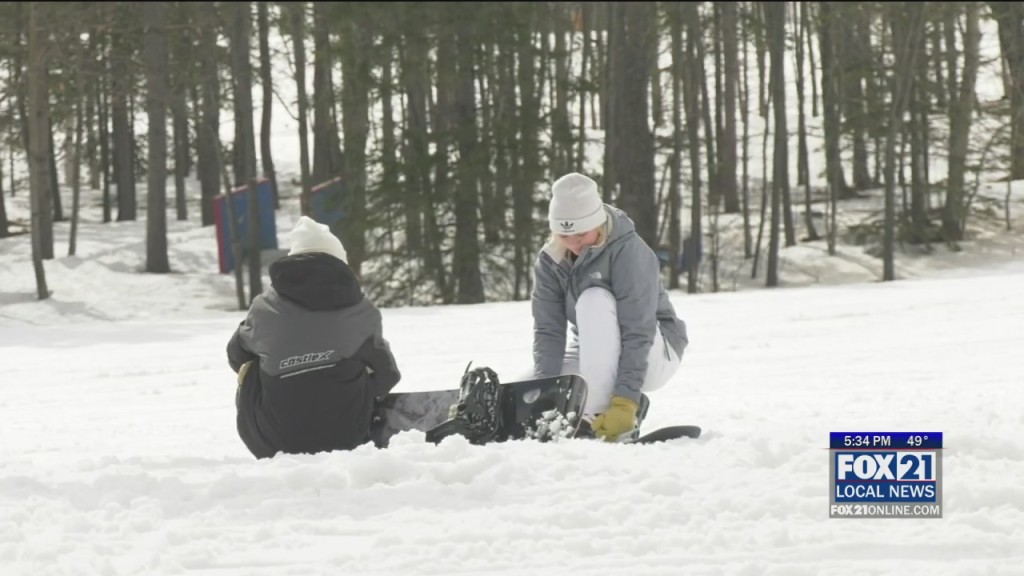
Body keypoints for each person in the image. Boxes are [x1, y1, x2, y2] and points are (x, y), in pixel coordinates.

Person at [226, 216, 402, 459]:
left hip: (272, 442)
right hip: (347, 437)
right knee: (363, 360)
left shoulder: (263, 309)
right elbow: (389, 375)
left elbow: (236, 357)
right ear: (341, 263)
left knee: (254, 363)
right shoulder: (361, 310)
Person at [531, 172, 688, 442]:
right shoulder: (551, 259)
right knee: (529, 390)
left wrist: (625, 402)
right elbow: (549, 332)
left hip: (654, 352)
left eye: (581, 234)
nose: (574, 243)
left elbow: (638, 331)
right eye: (565, 235)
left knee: (594, 298)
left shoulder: (629, 252)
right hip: (596, 352)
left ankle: (598, 414)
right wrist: (544, 395)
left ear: (598, 222)